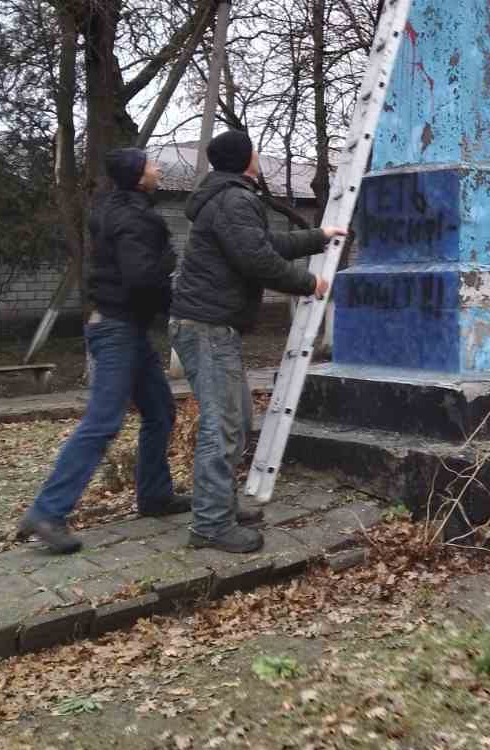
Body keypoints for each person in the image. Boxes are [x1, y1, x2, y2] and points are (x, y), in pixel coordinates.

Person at [169, 130, 346, 555]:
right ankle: (210, 524)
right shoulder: (234, 199)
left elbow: (264, 244)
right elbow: (258, 260)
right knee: (224, 425)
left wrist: (319, 236)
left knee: (236, 418)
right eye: (255, 151)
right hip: (207, 328)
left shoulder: (229, 197)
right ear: (246, 158)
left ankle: (220, 509)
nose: (259, 157)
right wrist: (310, 283)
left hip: (210, 326)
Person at [18, 148, 183, 555]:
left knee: (160, 410)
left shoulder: (121, 209)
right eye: (150, 164)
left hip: (126, 328)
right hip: (117, 329)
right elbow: (141, 278)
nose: (157, 168)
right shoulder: (132, 218)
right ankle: (47, 511)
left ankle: (155, 495)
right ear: (135, 175)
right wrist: (171, 273)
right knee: (102, 422)